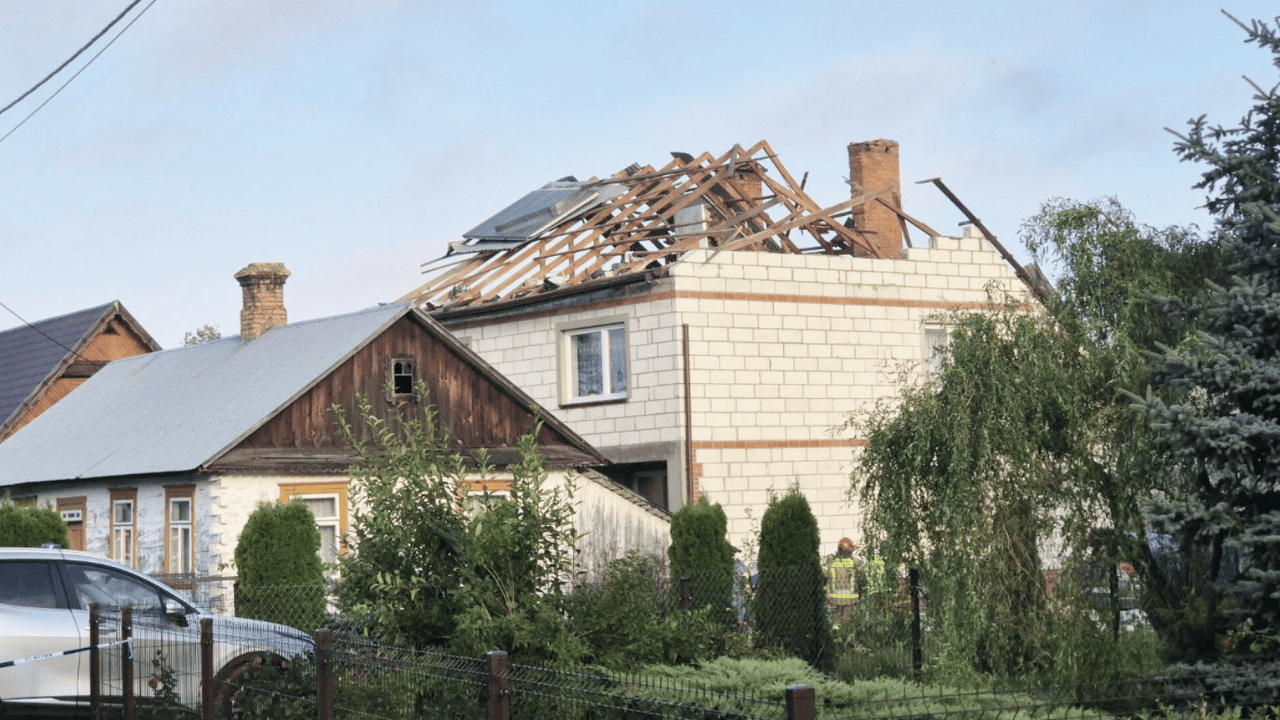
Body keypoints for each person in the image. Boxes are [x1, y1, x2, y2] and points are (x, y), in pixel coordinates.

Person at [827, 537, 865, 621]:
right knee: (849, 623)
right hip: (850, 599)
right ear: (850, 550)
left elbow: (827, 577)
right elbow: (862, 577)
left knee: (837, 622)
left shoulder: (832, 562)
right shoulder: (854, 562)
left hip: (835, 599)